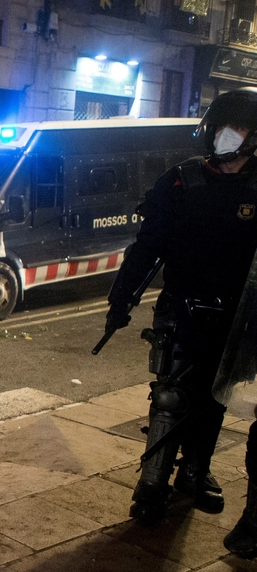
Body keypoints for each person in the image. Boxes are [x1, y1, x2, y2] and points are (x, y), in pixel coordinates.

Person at [104, 88, 257, 531]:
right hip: (181, 309)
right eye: (219, 126)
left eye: (237, 128)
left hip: (237, 318)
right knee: (170, 394)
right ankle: (151, 483)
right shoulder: (179, 181)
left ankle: (195, 470)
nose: (223, 136)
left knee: (215, 398)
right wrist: (122, 299)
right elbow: (147, 247)